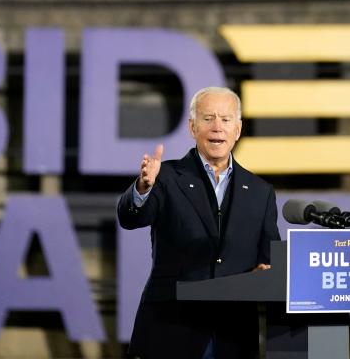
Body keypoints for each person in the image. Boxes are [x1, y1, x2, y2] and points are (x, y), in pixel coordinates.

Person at [117, 86, 281, 359]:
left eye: (226, 119)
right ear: (193, 127)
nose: (217, 127)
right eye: (208, 118)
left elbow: (268, 257)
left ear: (237, 130)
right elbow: (130, 218)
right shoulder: (166, 177)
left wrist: (267, 269)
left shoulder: (261, 191)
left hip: (234, 335)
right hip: (171, 327)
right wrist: (143, 188)